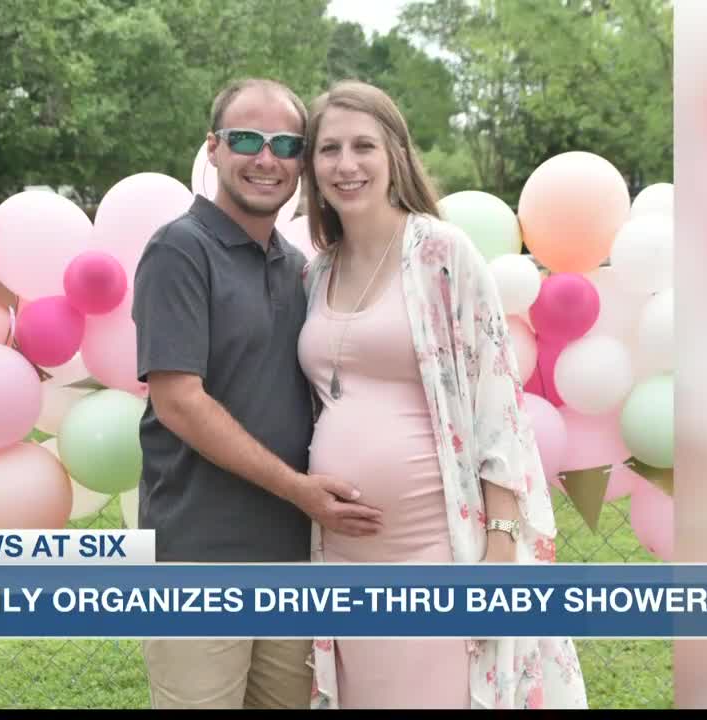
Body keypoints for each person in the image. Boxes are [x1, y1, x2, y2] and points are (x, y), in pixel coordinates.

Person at [296, 80, 589, 709]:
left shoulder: (440, 254)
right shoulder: (316, 272)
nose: (346, 164)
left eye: (363, 146)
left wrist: (501, 547)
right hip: (343, 559)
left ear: (395, 154)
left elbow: (497, 406)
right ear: (312, 166)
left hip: (436, 547)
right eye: (329, 149)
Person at [130, 78, 385, 710]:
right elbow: (180, 402)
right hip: (200, 561)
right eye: (246, 139)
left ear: (301, 162)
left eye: (285, 144)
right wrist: (300, 490)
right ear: (213, 149)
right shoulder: (178, 250)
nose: (265, 158)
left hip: (293, 557)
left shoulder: (297, 265)